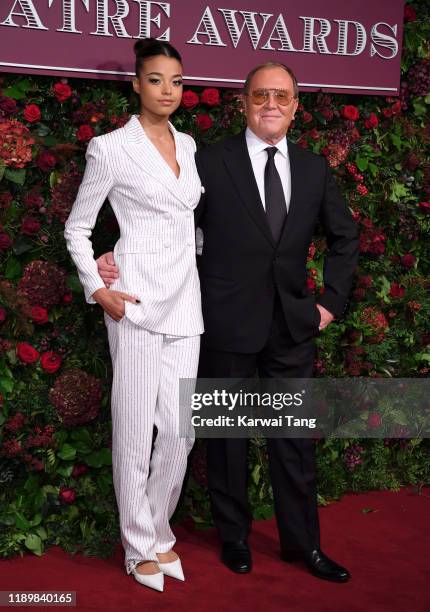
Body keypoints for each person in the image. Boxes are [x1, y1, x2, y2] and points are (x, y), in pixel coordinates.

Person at [97, 62, 359, 583]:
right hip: (223, 322)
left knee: (293, 440)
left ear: (295, 105)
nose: (271, 104)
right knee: (227, 441)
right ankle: (234, 538)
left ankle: (303, 545)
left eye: (281, 96)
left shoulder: (313, 169)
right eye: (260, 95)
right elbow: (156, 211)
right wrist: (109, 251)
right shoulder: (208, 161)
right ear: (242, 103)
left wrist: (329, 302)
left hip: (292, 326)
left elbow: (344, 238)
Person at [63, 38, 204, 593]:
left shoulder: (189, 145)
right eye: (155, 80)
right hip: (136, 304)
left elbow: (186, 221)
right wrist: (100, 288)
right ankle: (138, 546)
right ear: (136, 84)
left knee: (181, 430)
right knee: (133, 431)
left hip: (186, 301)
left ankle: (158, 528)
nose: (167, 90)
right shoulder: (111, 148)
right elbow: (77, 226)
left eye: (175, 81)